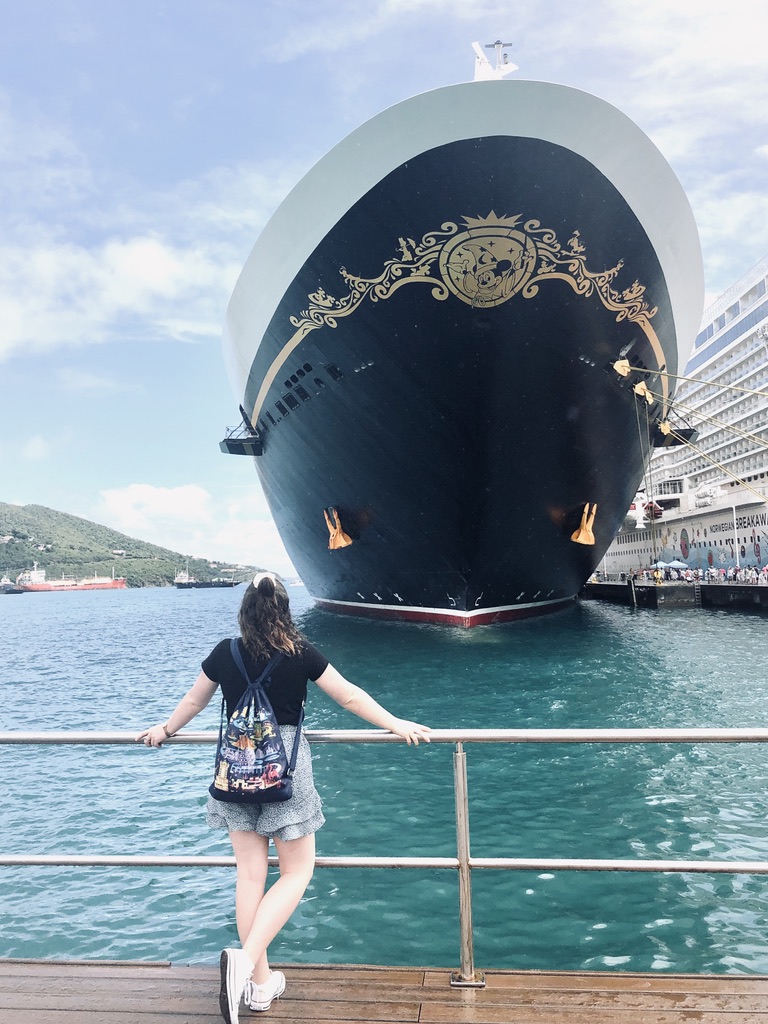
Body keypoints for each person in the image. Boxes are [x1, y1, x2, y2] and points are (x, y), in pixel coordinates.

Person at [136, 572, 431, 1024]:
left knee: (250, 876)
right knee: (296, 872)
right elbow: (349, 697)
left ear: (245, 611)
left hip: (236, 770)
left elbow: (194, 702)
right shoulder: (300, 652)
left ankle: (259, 986)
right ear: (284, 610)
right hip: (285, 771)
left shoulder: (225, 653)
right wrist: (396, 723)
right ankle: (246, 961)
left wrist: (165, 729)